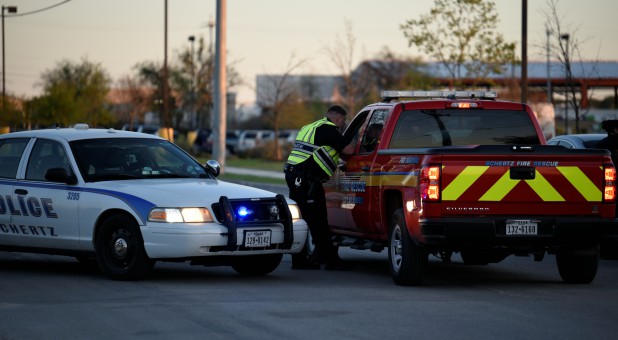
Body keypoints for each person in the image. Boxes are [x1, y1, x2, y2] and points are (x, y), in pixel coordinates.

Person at [284, 105, 356, 270]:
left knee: (301, 219)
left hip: (295, 176)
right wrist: (355, 140)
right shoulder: (329, 130)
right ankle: (331, 261)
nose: (343, 124)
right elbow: (349, 150)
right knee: (318, 221)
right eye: (344, 121)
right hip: (307, 180)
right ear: (338, 118)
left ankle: (303, 260)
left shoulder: (310, 127)